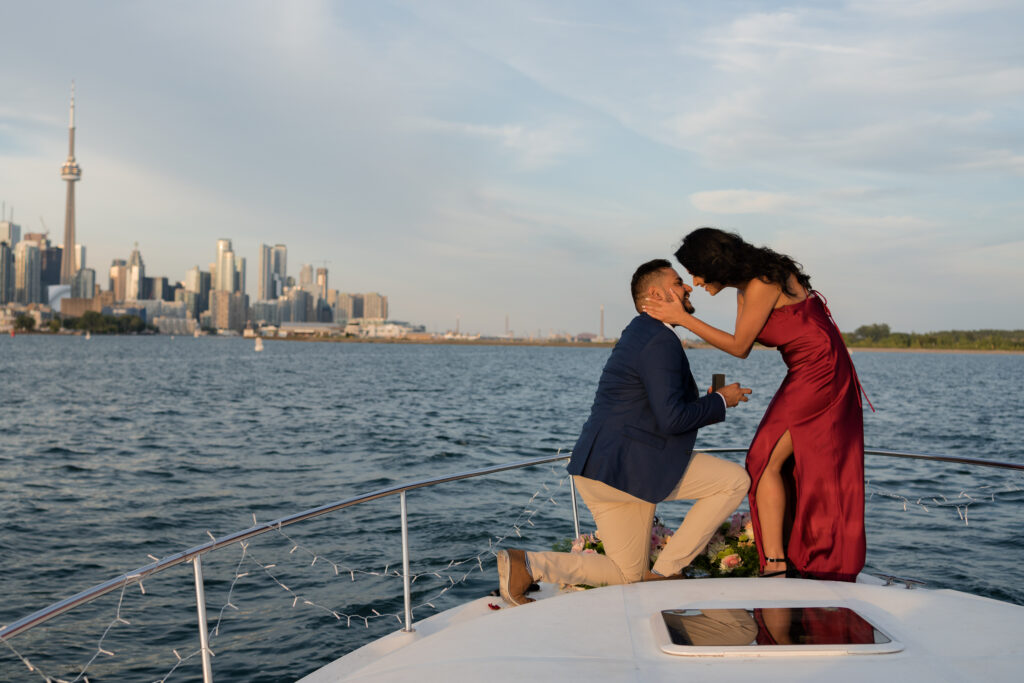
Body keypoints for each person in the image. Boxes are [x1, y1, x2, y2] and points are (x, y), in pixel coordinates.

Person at [496, 259, 751, 606]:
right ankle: (665, 573)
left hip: (599, 468)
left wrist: (704, 402)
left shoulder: (637, 332)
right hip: (634, 470)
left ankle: (527, 564)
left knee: (626, 574)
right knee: (733, 480)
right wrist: (722, 400)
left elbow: (654, 406)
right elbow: (672, 420)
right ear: (656, 294)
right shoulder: (660, 340)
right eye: (679, 283)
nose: (688, 287)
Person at [642, 227, 868, 582]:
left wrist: (683, 319)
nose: (696, 282)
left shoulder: (763, 281)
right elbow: (739, 345)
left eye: (697, 272)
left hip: (822, 371)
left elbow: (739, 346)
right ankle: (787, 557)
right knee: (774, 461)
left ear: (715, 264)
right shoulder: (748, 289)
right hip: (808, 370)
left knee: (761, 460)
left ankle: (776, 564)